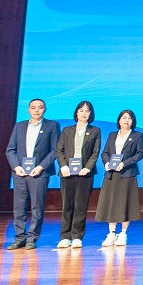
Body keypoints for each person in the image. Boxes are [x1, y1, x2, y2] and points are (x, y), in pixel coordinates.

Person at [5, 98, 60, 250]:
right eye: (33, 107)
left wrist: (41, 166)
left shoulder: (52, 125)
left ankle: (32, 238)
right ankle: (20, 238)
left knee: (37, 207)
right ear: (28, 109)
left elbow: (55, 150)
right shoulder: (19, 126)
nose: (37, 110)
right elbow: (10, 150)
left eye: (40, 107)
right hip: (20, 173)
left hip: (39, 173)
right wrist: (16, 166)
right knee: (19, 207)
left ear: (45, 109)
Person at [55, 101, 101, 249]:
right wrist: (63, 166)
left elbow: (95, 153)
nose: (84, 113)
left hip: (85, 174)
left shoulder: (95, 131)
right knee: (67, 205)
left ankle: (77, 237)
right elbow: (59, 150)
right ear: (76, 113)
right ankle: (65, 237)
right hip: (67, 173)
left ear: (91, 114)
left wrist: (87, 168)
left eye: (87, 111)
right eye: (81, 110)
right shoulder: (67, 130)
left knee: (80, 206)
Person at [96, 109, 143, 246]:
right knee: (110, 203)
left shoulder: (137, 135)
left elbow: (139, 154)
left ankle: (123, 233)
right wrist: (106, 163)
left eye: (129, 118)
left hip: (127, 173)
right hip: (111, 174)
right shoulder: (112, 135)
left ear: (133, 121)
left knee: (125, 203)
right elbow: (105, 153)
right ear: (119, 120)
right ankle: (111, 233)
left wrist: (124, 163)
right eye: (124, 118)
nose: (126, 120)